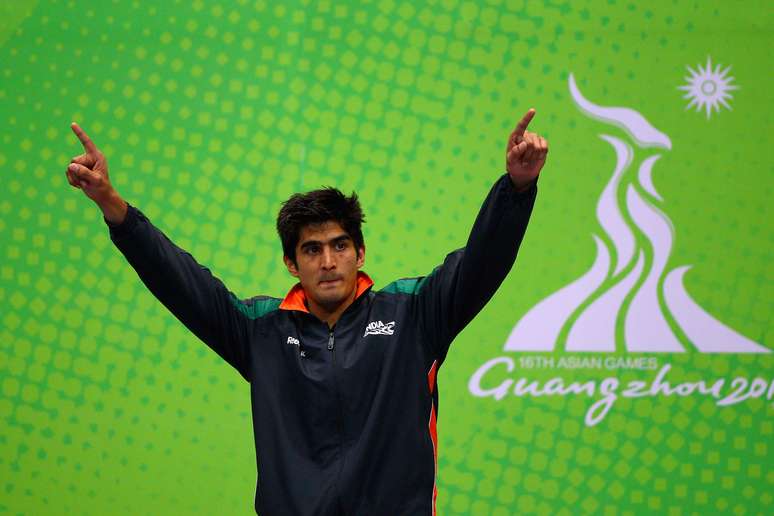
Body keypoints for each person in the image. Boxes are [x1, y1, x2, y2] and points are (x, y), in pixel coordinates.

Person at [65, 109, 548, 515]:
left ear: (360, 253)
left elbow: (483, 261)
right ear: (291, 264)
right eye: (312, 250)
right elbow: (182, 283)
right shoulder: (261, 331)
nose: (328, 261)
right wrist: (111, 204)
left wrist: (517, 187)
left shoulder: (415, 315)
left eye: (340, 245)